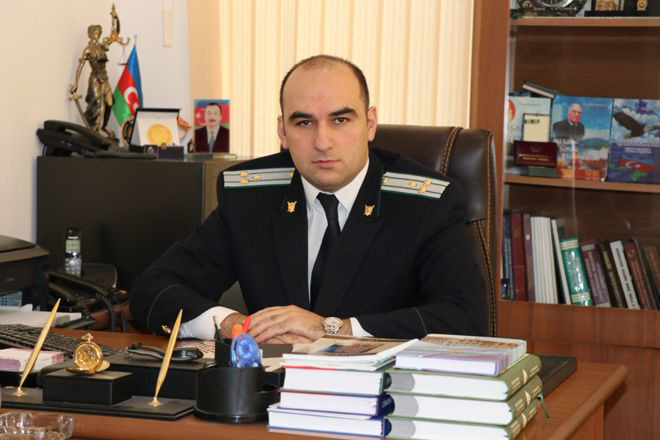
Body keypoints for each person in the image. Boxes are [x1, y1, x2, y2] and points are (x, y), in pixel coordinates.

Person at [130, 55, 488, 343]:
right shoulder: (251, 198)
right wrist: (236, 326)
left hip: (382, 395)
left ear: (370, 124)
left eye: (340, 120)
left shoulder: (426, 203)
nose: (322, 142)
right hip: (273, 393)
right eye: (304, 123)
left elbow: (466, 318)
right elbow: (153, 289)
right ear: (282, 131)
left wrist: (334, 329)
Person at [70, 6, 127, 139]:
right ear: (90, 34)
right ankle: (94, 132)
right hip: (95, 79)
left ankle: (104, 126)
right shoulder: (88, 50)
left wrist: (116, 18)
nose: (98, 34)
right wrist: (76, 84)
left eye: (99, 32)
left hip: (105, 79)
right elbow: (80, 67)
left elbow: (115, 33)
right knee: (97, 106)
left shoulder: (102, 46)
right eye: (95, 32)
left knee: (109, 102)